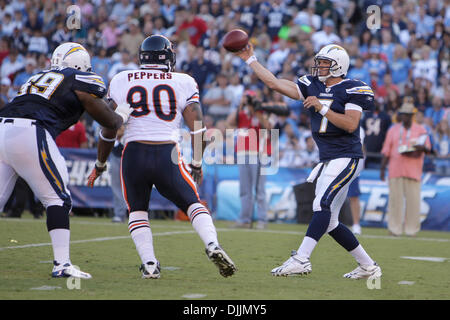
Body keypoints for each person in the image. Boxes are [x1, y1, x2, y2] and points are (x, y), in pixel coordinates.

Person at [88, 35, 236, 279]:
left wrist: (100, 163)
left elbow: (109, 129)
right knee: (193, 203)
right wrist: (197, 163)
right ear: (168, 57)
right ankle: (212, 245)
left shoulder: (122, 79)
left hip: (133, 153)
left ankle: (149, 264)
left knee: (137, 210)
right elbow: (198, 128)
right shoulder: (184, 81)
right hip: (167, 151)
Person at [234, 43, 381, 279]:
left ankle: (301, 259)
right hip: (328, 158)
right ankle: (368, 266)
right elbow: (274, 83)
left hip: (346, 155)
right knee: (330, 220)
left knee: (320, 205)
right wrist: (250, 59)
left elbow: (351, 124)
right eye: (320, 62)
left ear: (338, 66)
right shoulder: (312, 85)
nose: (320, 66)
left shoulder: (354, 88)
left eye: (325, 63)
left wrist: (322, 108)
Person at [0, 42, 133, 279]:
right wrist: (122, 113)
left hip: (2, 129)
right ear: (80, 65)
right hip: (29, 131)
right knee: (58, 200)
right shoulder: (78, 78)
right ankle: (62, 264)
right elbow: (110, 122)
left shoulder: (36, 76)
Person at [380, 100, 431, 237]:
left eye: (408, 114)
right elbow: (386, 150)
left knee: (413, 202)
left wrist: (420, 148)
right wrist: (382, 168)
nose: (406, 117)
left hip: (413, 169)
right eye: (404, 114)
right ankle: (394, 229)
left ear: (412, 115)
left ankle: (411, 230)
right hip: (395, 169)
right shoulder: (393, 129)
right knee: (395, 202)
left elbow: (427, 149)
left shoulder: (421, 130)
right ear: (401, 115)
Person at [225, 90, 271, 230]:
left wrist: (255, 110)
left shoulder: (261, 112)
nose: (248, 100)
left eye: (250, 97)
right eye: (246, 97)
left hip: (257, 153)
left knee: (259, 189)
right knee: (244, 189)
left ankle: (262, 219)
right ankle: (245, 219)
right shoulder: (241, 113)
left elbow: (269, 127)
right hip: (242, 152)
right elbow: (229, 122)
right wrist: (240, 105)